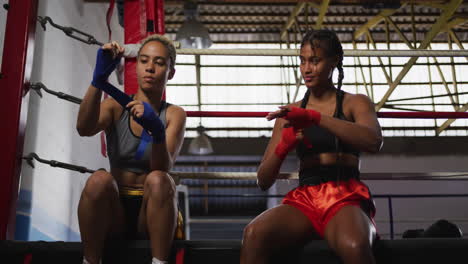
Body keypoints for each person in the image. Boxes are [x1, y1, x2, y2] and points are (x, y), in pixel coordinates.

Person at [240, 29, 383, 264]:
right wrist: (282, 148)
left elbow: (373, 141)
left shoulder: (354, 102)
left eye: (315, 61)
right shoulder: (288, 114)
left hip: (344, 195)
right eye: (303, 60)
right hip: (305, 199)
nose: (307, 68)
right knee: (254, 234)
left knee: (355, 245)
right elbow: (263, 181)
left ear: (334, 61)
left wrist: (315, 117)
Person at [76, 34, 186, 264]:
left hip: (153, 210)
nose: (150, 68)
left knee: (159, 179)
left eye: (159, 62)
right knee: (98, 179)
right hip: (115, 209)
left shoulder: (174, 114)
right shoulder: (115, 105)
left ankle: (159, 262)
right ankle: (90, 262)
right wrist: (98, 81)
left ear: (171, 72)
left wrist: (156, 131)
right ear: (136, 67)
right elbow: (84, 128)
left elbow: (162, 167)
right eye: (144, 60)